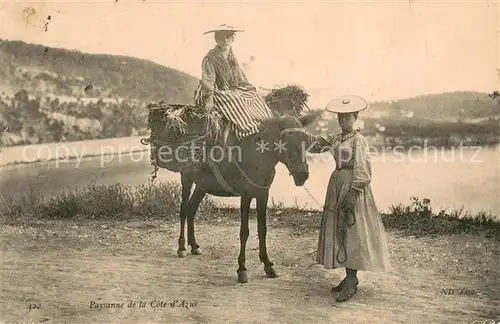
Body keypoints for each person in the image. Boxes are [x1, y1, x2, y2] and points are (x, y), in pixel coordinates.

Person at [306, 95, 391, 303]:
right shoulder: (336, 138)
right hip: (336, 182)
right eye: (340, 117)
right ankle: (348, 277)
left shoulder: (358, 140)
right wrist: (296, 132)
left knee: (352, 229)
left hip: (352, 184)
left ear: (355, 117)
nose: (343, 120)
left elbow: (363, 169)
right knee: (339, 229)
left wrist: (353, 193)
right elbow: (314, 146)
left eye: (347, 117)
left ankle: (352, 281)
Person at [194, 24, 274, 144]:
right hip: (213, 91)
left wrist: (250, 88)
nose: (225, 40)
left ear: (232, 39)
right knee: (237, 100)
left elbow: (240, 76)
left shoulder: (232, 56)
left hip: (231, 89)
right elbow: (208, 79)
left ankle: (264, 124)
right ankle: (247, 130)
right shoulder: (210, 58)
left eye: (228, 37)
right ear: (216, 39)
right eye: (221, 37)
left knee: (253, 96)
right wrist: (209, 99)